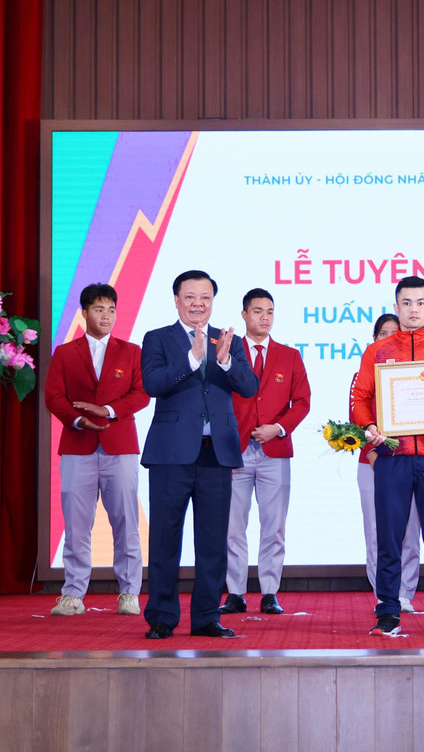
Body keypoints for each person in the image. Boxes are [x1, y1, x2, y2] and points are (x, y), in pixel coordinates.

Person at [140, 270, 258, 639]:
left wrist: (225, 362)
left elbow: (249, 387)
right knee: (164, 539)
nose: (198, 304)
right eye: (190, 296)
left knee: (212, 542)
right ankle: (162, 616)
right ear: (177, 300)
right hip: (171, 455)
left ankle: (207, 617)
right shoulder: (157, 338)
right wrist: (191, 360)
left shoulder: (228, 341)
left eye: (205, 297)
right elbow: (152, 384)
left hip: (216, 455)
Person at [352, 277, 424, 636]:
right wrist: (370, 426)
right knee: (389, 539)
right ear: (396, 307)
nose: (413, 309)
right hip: (392, 456)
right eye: (406, 302)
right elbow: (360, 399)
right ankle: (388, 611)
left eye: (420, 302)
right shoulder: (377, 352)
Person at [44, 284, 150, 618]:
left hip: (120, 446)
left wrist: (107, 410)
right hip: (78, 447)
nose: (106, 316)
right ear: (84, 313)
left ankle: (129, 592)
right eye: (99, 309)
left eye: (111, 310)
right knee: (77, 524)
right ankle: (73, 593)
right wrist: (77, 420)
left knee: (126, 522)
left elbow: (142, 393)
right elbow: (53, 396)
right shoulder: (65, 352)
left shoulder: (131, 351)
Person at [220, 288, 311, 616]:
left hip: (275, 450)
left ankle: (270, 591)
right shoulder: (228, 351)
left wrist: (279, 428)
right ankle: (235, 592)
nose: (265, 317)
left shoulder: (290, 356)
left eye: (270, 311)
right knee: (233, 526)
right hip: (236, 450)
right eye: (258, 311)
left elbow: (302, 402)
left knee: (274, 526)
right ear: (244, 315)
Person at [350, 313, 422, 612]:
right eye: (383, 333)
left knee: (410, 531)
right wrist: (372, 453)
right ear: (374, 339)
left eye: (396, 332)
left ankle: (405, 593)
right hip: (373, 463)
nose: (389, 338)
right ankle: (383, 593)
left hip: (412, 461)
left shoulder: (416, 372)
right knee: (377, 532)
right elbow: (355, 418)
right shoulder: (363, 373)